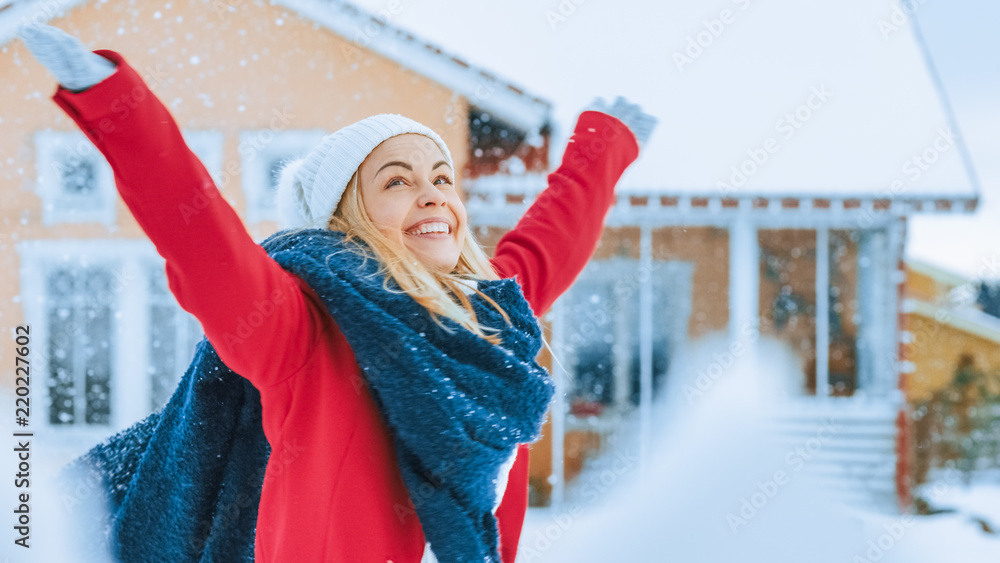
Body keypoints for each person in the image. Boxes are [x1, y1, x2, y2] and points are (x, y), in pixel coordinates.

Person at [19, 22, 656, 563]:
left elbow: (551, 239)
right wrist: (115, 105)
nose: (433, 193)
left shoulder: (487, 320)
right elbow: (199, 236)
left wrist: (604, 146)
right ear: (348, 213)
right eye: (398, 181)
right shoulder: (304, 329)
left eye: (441, 177)